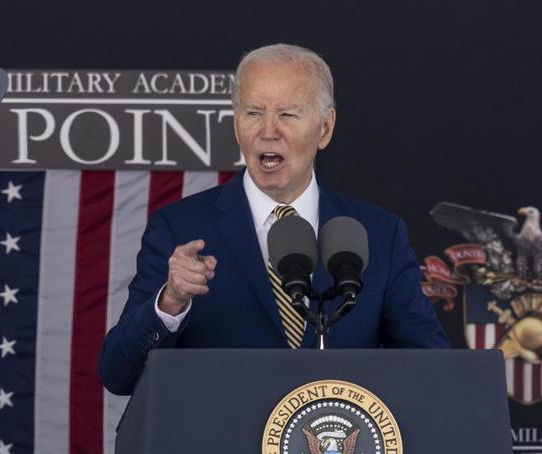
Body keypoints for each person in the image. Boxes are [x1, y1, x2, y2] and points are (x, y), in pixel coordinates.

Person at [99, 44, 448, 395]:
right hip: (220, 447)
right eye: (253, 113)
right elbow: (118, 373)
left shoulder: (379, 235)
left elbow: (434, 370)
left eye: (287, 114)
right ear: (236, 126)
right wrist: (171, 301)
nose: (268, 130)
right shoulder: (180, 229)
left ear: (325, 128)